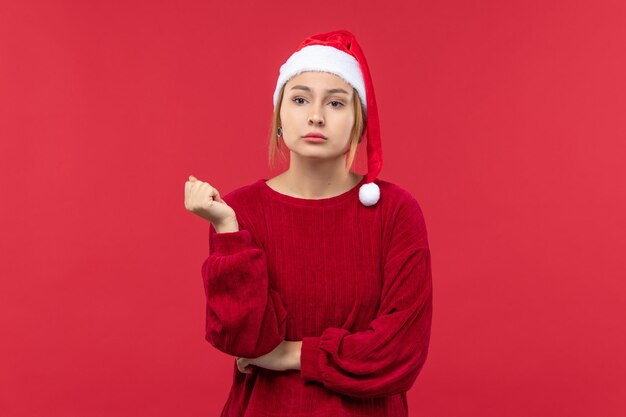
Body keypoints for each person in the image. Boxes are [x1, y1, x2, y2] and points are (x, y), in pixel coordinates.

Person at [184, 29, 433, 417]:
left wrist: (289, 354)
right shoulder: (239, 210)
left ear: (359, 121)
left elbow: (400, 352)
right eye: (300, 99)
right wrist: (228, 231)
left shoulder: (396, 212)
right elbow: (244, 342)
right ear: (280, 114)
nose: (316, 115)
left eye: (336, 103)